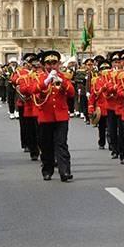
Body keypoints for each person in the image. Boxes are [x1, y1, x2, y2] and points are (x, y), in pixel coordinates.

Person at [33, 50, 75, 182]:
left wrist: (60, 81)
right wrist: (46, 81)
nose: (52, 66)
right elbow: (33, 90)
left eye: (54, 63)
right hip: (45, 116)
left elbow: (71, 93)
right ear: (44, 65)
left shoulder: (64, 77)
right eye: (48, 63)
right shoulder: (39, 77)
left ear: (59, 64)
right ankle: (47, 170)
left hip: (61, 116)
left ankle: (65, 171)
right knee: (46, 145)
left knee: (61, 143)